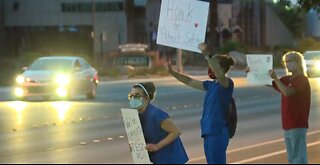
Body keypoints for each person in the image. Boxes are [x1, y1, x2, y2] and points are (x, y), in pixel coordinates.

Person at [167, 43, 235, 164]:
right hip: (208, 131)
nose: (210, 68)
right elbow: (189, 81)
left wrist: (207, 54)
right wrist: (173, 73)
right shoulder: (210, 85)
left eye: (213, 65)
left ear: (222, 69)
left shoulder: (227, 84)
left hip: (217, 131)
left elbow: (219, 74)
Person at [128, 82, 189, 164]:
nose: (133, 99)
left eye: (136, 96)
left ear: (146, 97)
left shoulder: (157, 114)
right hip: (158, 160)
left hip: (172, 159)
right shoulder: (139, 116)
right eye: (130, 96)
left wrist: (157, 146)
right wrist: (136, 146)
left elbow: (176, 131)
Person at [268, 51, 311, 164]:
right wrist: (253, 72)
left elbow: (287, 92)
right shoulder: (288, 79)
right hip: (287, 124)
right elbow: (270, 82)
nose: (287, 64)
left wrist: (276, 79)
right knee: (292, 158)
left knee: (299, 157)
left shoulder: (301, 79)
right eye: (286, 62)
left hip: (297, 123)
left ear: (298, 63)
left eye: (290, 61)